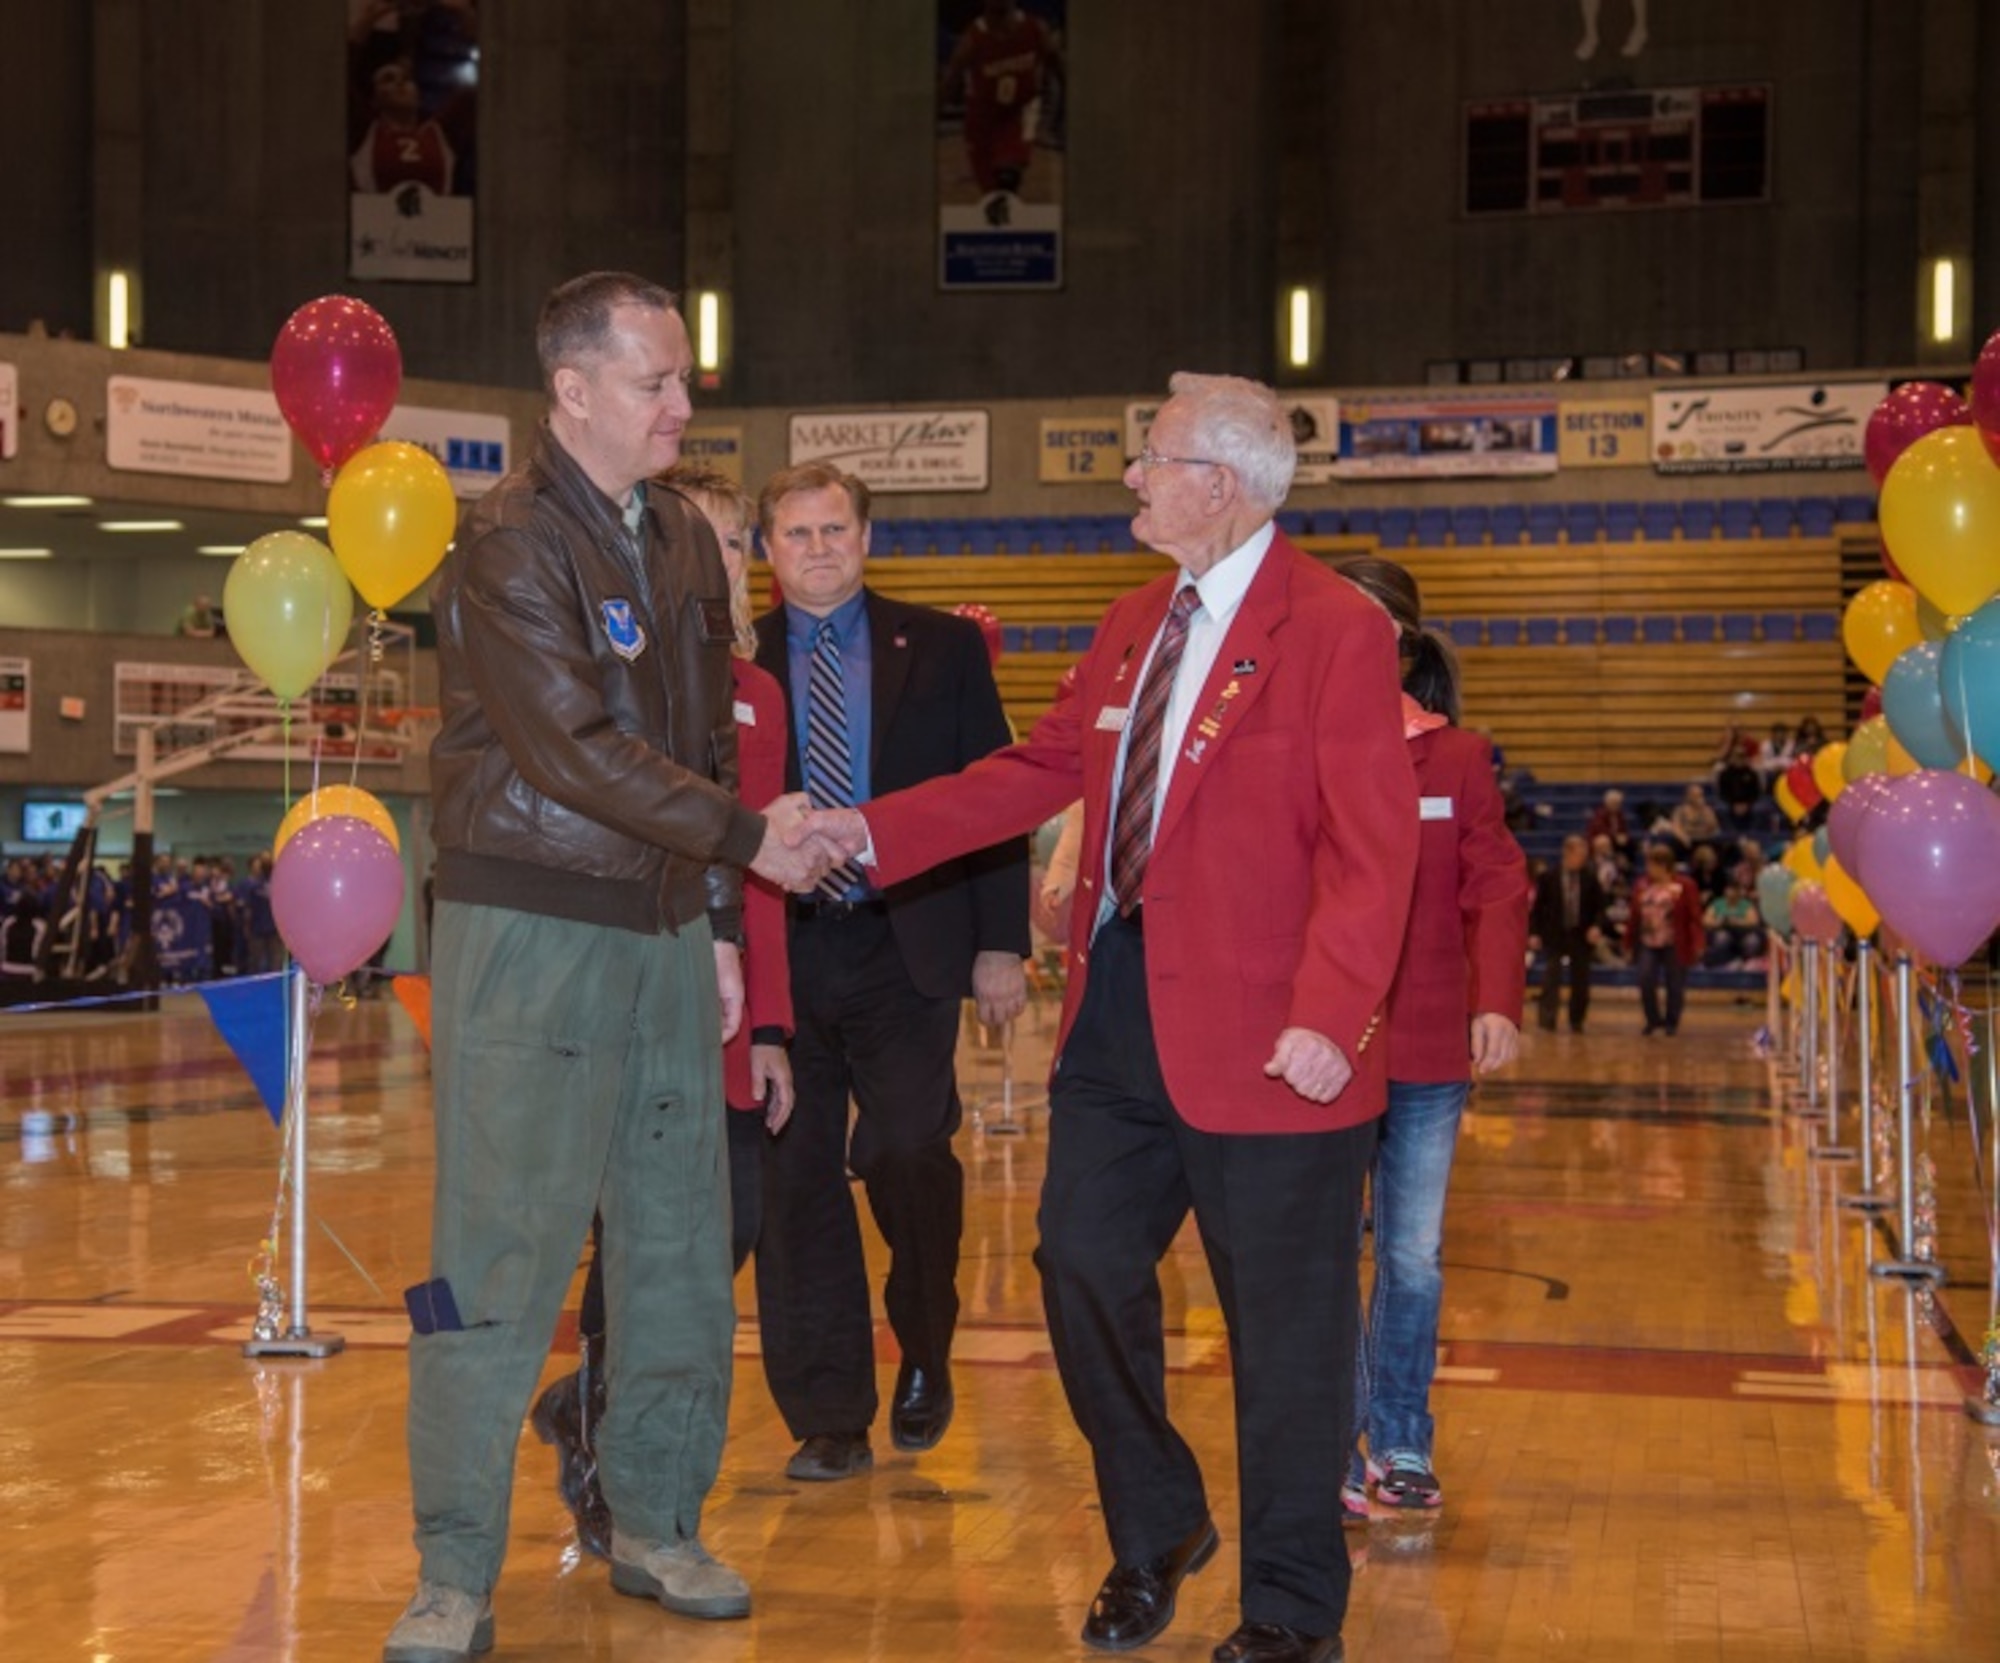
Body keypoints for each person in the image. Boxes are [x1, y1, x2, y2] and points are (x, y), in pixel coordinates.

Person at [810, 372, 1418, 1663]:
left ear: (1225, 480)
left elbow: (1375, 848)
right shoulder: (1135, 621)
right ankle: (1159, 1521)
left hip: (1274, 1041)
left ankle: (1293, 1607)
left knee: (1288, 1334)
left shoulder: (1337, 627)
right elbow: (1038, 771)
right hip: (1117, 1019)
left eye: (1153, 457)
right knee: (1078, 1266)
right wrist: (866, 827)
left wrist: (1332, 1009)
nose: (1133, 477)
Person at [384, 271, 828, 1663]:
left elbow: (696, 747)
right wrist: (752, 842)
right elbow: (574, 748)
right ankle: (453, 1565)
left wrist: (706, 915)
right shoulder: (506, 544)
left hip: (656, 928)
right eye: (656, 382)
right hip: (528, 931)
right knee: (493, 1250)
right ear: (572, 391)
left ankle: (658, 1516)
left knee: (680, 1242)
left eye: (684, 379)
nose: (684, 405)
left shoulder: (688, 546)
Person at [528, 460, 799, 1559]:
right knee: (627, 1232)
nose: (722, 564)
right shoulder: (609, 680)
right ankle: (600, 1435)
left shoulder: (760, 693)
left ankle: (586, 1403)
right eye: (707, 542)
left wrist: (772, 1024)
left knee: (725, 1225)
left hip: (728, 1002)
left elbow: (763, 876)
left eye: (738, 545)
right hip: (625, 988)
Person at [749, 460, 1030, 1484]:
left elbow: (991, 795)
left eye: (833, 530)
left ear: (865, 539)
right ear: (764, 551)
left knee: (909, 1149)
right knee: (795, 1182)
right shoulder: (733, 662)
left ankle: (923, 1337)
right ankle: (827, 1412)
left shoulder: (945, 648)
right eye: (795, 533)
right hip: (782, 946)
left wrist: (1000, 940)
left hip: (904, 941)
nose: (816, 549)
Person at [1334, 558, 1528, 1519]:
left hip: (1421, 1052)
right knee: (1323, 1254)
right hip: (1313, 1052)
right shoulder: (1286, 748)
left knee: (1409, 1256)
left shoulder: (1456, 758)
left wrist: (1497, 1000)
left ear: (1404, 643)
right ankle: (1329, 1443)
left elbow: (1494, 883)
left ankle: (1401, 1438)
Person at [939, 0, 1064, 226]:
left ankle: (1012, 246)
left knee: (1008, 177)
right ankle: (1000, 239)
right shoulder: (972, 40)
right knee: (992, 195)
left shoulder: (1035, 30)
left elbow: (1059, 66)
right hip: (982, 122)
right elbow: (948, 85)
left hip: (1020, 113)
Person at [1529, 834, 1608, 1033]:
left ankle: (1576, 1020)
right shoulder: (1549, 877)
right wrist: (1534, 932)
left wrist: (1596, 926)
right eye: (1579, 854)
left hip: (1580, 935)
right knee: (1551, 978)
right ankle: (1547, 1020)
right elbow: (1538, 908)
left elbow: (1600, 907)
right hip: (1555, 934)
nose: (1582, 859)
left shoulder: (1590, 877)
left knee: (1581, 980)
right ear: (1567, 853)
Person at [1628, 844, 1705, 1036]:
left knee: (1675, 983)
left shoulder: (1685, 886)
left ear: (1664, 866)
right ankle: (1652, 1020)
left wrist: (1698, 942)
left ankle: (1672, 1022)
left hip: (1674, 941)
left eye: (1652, 864)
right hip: (1648, 941)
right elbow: (1634, 916)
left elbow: (1694, 916)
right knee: (1645, 978)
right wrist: (1628, 941)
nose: (1649, 869)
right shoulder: (1641, 885)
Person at [1671, 782, 1721, 848]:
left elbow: (1713, 827)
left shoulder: (1707, 810)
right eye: (1695, 795)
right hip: (1686, 840)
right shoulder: (1680, 810)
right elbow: (1675, 827)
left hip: (1704, 840)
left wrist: (1704, 810)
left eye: (1700, 795)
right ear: (1688, 796)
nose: (1698, 798)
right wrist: (1683, 837)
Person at [1584, 787, 1631, 858]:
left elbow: (1624, 830)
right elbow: (1602, 830)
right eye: (1614, 803)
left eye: (1618, 804)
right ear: (1607, 803)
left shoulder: (1619, 815)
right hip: (1601, 842)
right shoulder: (1600, 814)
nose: (1616, 806)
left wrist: (1624, 837)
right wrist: (1616, 837)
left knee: (1629, 844)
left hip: (1615, 843)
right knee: (1604, 841)